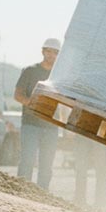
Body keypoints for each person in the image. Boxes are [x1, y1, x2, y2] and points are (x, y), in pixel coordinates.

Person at [15, 38, 61, 190]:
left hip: (51, 127)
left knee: (46, 165)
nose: (51, 55)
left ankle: (42, 197)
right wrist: (33, 104)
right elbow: (18, 95)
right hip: (31, 124)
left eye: (55, 52)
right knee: (27, 161)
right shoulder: (30, 71)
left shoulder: (60, 75)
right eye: (48, 51)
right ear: (43, 51)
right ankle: (23, 192)